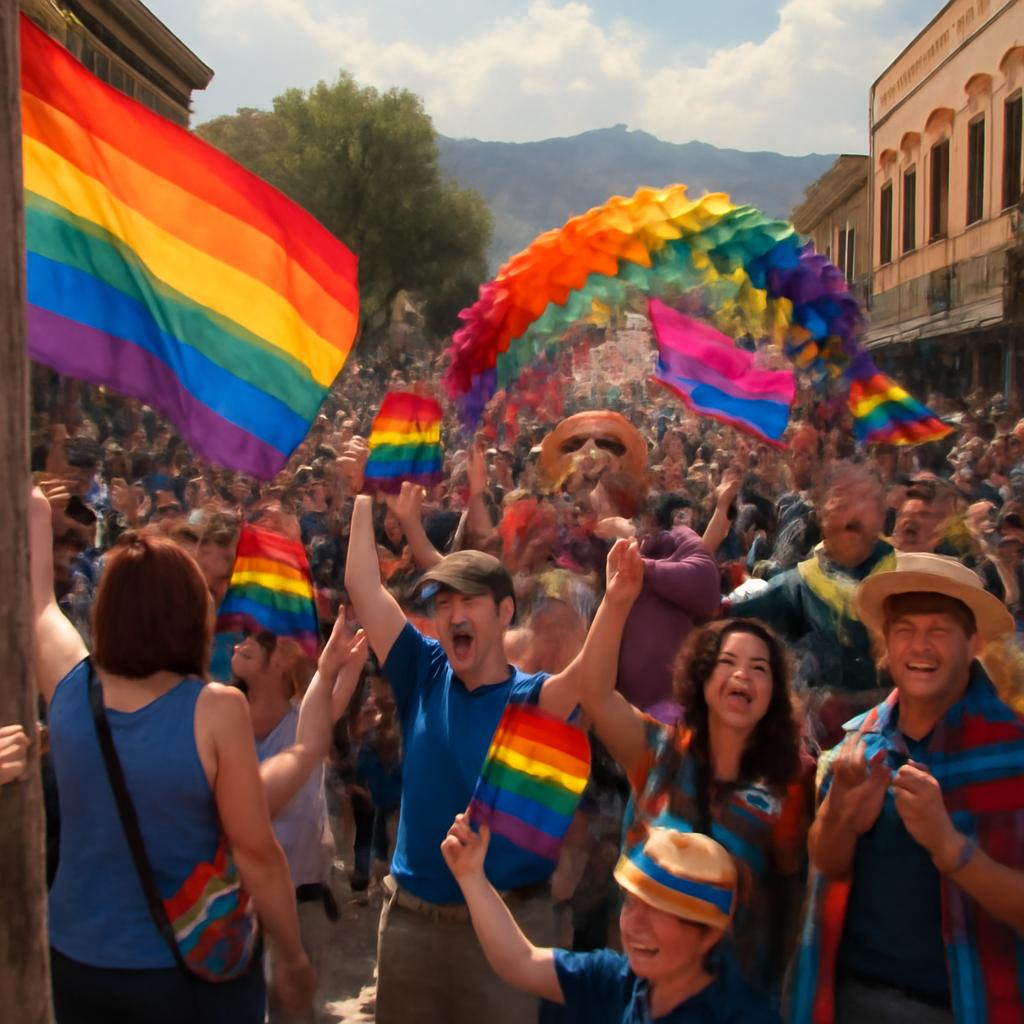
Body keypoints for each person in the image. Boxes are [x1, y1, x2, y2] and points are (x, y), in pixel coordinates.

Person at [343, 491, 644, 1024]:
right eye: (442, 604)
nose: (453, 614)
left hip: (510, 934)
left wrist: (617, 603)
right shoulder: (421, 668)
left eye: (469, 601)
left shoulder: (530, 698)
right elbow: (363, 586)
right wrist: (366, 497)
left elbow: (591, 683)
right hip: (412, 927)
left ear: (504, 612)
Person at [29, 488, 315, 1023]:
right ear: (190, 615)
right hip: (185, 975)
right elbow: (255, 851)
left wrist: (35, 505)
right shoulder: (215, 710)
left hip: (75, 962)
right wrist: (294, 958)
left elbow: (40, 604)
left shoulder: (68, 691)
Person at [791, 552, 1024, 1023]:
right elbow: (827, 862)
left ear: (972, 643)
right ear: (886, 646)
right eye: (905, 631)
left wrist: (950, 847)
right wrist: (839, 816)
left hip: (967, 1007)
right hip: (848, 1000)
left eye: (938, 631)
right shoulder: (858, 741)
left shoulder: (1013, 754)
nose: (921, 647)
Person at [580, 616, 807, 999]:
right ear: (702, 677)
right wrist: (618, 600)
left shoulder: (786, 790)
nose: (741, 675)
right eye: (726, 662)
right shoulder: (657, 752)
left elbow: (792, 908)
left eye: (759, 668)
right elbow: (595, 692)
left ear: (774, 692)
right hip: (641, 992)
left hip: (731, 1002)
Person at [441, 817, 781, 1023]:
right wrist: (471, 876)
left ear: (709, 936)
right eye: (631, 904)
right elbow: (520, 961)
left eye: (659, 912)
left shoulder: (742, 1017)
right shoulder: (616, 982)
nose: (635, 925)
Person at [232, 622, 368, 1024]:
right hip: (235, 905)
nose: (241, 645)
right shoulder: (218, 721)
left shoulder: (302, 721)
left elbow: (337, 691)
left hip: (302, 903)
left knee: (293, 1013)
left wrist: (350, 662)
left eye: (257, 640)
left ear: (280, 663)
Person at [727, 462, 895, 743]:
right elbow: (732, 620)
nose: (851, 510)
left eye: (863, 498)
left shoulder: (909, 579)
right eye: (840, 497)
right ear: (821, 514)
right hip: (826, 749)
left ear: (881, 512)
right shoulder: (799, 585)